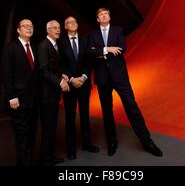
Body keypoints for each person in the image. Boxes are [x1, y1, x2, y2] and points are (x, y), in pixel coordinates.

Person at [88, 8, 163, 157]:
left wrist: (100, 51)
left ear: (109, 17)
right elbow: (89, 52)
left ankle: (147, 141)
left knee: (131, 105)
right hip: (103, 77)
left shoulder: (118, 30)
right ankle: (111, 142)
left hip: (119, 76)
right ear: (97, 19)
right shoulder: (92, 34)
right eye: (100, 15)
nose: (103, 16)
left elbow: (122, 48)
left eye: (106, 14)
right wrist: (107, 49)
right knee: (107, 111)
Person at [59, 16, 99, 160]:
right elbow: (61, 65)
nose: (73, 24)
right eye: (69, 22)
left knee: (84, 114)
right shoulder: (60, 42)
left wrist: (83, 77)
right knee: (69, 117)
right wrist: (71, 79)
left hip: (84, 83)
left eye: (75, 22)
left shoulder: (85, 40)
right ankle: (71, 148)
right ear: (65, 26)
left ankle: (87, 144)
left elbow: (90, 61)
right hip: (69, 85)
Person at [1, 19, 38, 166]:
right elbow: (6, 74)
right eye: (25, 26)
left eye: (31, 26)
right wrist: (12, 97)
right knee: (21, 135)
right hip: (18, 100)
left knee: (31, 134)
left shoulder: (34, 48)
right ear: (18, 30)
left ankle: (28, 161)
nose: (29, 28)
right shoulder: (10, 48)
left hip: (34, 100)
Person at [37, 20, 70, 166]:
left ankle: (49, 157)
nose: (58, 30)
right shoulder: (44, 46)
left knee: (51, 127)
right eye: (54, 28)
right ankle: (46, 160)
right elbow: (43, 71)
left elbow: (56, 67)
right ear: (48, 30)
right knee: (48, 128)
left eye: (58, 28)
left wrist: (62, 73)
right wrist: (60, 82)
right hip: (46, 95)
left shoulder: (54, 45)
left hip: (52, 94)